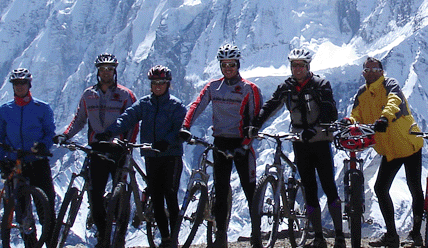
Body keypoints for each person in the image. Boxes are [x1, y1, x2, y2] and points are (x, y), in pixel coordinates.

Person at [251, 48, 343, 248]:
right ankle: (318, 237)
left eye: (300, 65)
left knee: (328, 185)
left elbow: (330, 113)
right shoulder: (287, 87)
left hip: (320, 141)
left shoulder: (320, 85)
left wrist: (315, 129)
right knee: (309, 188)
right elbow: (271, 105)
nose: (297, 69)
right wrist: (255, 124)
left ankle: (339, 236)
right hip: (300, 142)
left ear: (308, 66)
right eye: (294, 65)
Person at [181, 43, 264, 248]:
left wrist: (245, 144)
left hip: (242, 144)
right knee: (220, 189)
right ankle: (220, 235)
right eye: (224, 64)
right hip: (220, 142)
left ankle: (256, 234)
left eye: (231, 64)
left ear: (238, 64)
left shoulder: (249, 89)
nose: (228, 68)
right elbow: (197, 105)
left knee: (249, 190)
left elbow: (255, 122)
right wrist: (185, 126)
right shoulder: (213, 87)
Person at [54, 53, 137, 248]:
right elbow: (79, 119)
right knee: (95, 194)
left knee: (121, 195)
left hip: (118, 148)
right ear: (98, 72)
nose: (106, 72)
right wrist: (65, 135)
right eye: (103, 69)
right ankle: (102, 236)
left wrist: (127, 144)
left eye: (109, 69)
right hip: (97, 148)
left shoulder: (125, 95)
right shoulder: (88, 94)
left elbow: (133, 123)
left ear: (114, 71)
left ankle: (120, 238)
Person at [101, 65, 187, 248]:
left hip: (171, 156)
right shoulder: (144, 104)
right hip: (151, 155)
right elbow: (127, 117)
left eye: (161, 83)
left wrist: (168, 141)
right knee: (156, 196)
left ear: (168, 84)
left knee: (170, 195)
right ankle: (165, 239)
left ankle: (175, 238)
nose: (157, 86)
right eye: (154, 83)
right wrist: (110, 132)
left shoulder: (176, 105)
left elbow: (181, 129)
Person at [345, 57, 424, 248]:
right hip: (390, 150)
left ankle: (415, 233)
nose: (371, 72)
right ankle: (391, 235)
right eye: (367, 69)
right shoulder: (362, 94)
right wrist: (349, 122)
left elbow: (394, 101)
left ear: (382, 71)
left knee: (414, 187)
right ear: (363, 73)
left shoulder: (390, 85)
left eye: (375, 69)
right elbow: (356, 114)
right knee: (381, 188)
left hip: (408, 143)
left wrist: (384, 118)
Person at [0, 68, 56, 210]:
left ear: (29, 85)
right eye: (16, 83)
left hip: (37, 162)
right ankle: (25, 230)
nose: (20, 86)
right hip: (14, 164)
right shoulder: (5, 110)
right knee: (20, 209)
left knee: (46, 207)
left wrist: (43, 146)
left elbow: (50, 133)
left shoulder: (43, 108)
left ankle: (49, 232)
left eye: (23, 83)